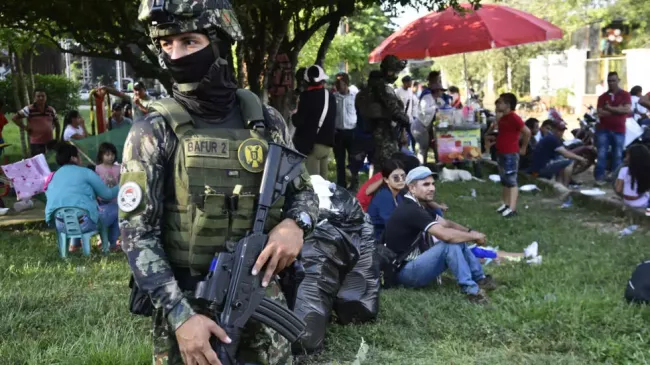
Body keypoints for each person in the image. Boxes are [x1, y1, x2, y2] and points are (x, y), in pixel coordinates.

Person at [124, 2, 319, 364]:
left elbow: (304, 193)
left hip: (261, 291)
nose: (176, 55)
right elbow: (136, 234)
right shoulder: (154, 130)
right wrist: (181, 317)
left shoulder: (264, 121)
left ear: (219, 42)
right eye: (167, 45)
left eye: (189, 41)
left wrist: (296, 224)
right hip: (186, 301)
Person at [383, 166, 494, 304]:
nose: (432, 188)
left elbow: (446, 224)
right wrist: (474, 237)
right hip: (403, 272)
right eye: (426, 184)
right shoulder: (411, 209)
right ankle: (472, 291)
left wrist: (469, 232)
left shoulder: (417, 204)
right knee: (450, 245)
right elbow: (446, 235)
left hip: (414, 264)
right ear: (412, 188)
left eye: (433, 184)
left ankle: (480, 279)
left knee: (457, 238)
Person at [45, 144, 120, 252]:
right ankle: (112, 244)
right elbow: (107, 194)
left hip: (60, 224)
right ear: (73, 158)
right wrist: (122, 185)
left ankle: (75, 244)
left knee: (74, 208)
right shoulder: (86, 173)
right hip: (85, 224)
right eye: (78, 155)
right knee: (115, 208)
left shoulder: (53, 176)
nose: (80, 158)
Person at [356, 55, 410, 172]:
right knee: (388, 168)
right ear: (389, 71)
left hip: (374, 133)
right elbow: (394, 111)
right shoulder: (383, 88)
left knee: (380, 167)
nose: (396, 76)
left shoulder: (371, 87)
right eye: (395, 72)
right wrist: (406, 121)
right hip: (384, 134)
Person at [292, 64, 337, 179]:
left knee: (313, 184)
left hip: (312, 145)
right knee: (324, 182)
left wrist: (294, 114)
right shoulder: (330, 96)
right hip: (326, 145)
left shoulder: (306, 97)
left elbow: (299, 122)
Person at [494, 93, 531, 218]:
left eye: (500, 102)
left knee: (511, 180)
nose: (497, 104)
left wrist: (523, 147)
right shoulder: (503, 117)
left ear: (508, 105)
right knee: (504, 179)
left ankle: (512, 208)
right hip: (501, 151)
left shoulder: (514, 117)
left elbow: (527, 132)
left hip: (510, 152)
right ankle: (505, 203)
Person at [595, 72, 631, 184]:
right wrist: (618, 110)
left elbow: (627, 110)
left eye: (613, 80)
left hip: (619, 130)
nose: (611, 83)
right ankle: (599, 178)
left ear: (618, 80)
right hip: (603, 129)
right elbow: (600, 113)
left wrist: (609, 108)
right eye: (609, 80)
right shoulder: (602, 97)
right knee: (601, 154)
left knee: (618, 155)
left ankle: (615, 179)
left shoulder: (625, 95)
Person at [528, 121, 588, 186]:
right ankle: (565, 186)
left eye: (563, 130)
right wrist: (581, 158)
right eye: (559, 130)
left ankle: (559, 185)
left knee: (561, 160)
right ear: (553, 129)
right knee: (569, 162)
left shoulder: (550, 137)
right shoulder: (552, 138)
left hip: (537, 168)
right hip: (538, 170)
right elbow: (566, 154)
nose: (561, 132)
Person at [12, 88, 60, 156]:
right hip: (36, 144)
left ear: (46, 97)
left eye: (43, 96)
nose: (41, 98)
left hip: (50, 143)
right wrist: (25, 127)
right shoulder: (29, 109)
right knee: (37, 163)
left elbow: (57, 124)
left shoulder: (51, 110)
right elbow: (14, 118)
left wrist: (57, 139)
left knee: (49, 163)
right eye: (38, 96)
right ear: (34, 97)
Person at [367, 160, 406, 240]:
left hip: (386, 236)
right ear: (386, 179)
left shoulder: (398, 195)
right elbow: (392, 225)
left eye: (403, 176)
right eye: (396, 178)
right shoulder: (384, 196)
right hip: (375, 240)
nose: (401, 180)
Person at [333, 72, 357, 189]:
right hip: (338, 133)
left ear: (346, 84)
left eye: (340, 83)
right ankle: (341, 184)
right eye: (336, 83)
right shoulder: (334, 97)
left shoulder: (355, 96)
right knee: (340, 161)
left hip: (351, 132)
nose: (338, 86)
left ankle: (354, 183)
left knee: (353, 159)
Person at [614, 145, 650, 212]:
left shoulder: (623, 170)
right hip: (642, 202)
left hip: (627, 201)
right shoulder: (647, 171)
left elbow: (618, 189)